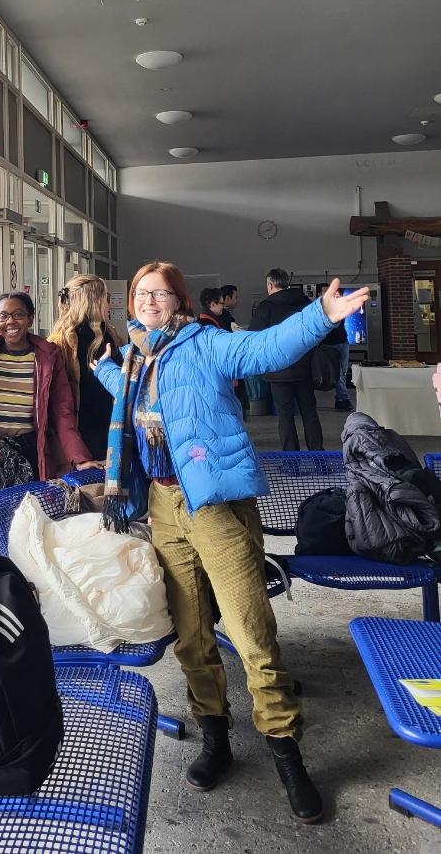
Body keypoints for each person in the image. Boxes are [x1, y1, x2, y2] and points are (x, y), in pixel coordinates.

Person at [93, 260, 368, 823]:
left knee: (250, 633)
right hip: (163, 508)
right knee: (191, 636)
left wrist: (321, 315)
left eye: (161, 294)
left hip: (216, 506)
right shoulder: (134, 359)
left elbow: (266, 350)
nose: (149, 301)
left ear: (180, 301)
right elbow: (133, 401)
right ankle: (214, 737)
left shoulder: (206, 344)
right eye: (142, 293)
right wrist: (99, 365)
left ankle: (286, 752)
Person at [0, 291, 93, 499]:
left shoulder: (48, 357)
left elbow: (62, 411)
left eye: (18, 314)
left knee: (31, 511)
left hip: (32, 450)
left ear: (30, 318)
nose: (10, 321)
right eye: (3, 316)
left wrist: (80, 458)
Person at [47, 274, 120, 462]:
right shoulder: (61, 342)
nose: (109, 305)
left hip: (110, 430)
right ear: (92, 302)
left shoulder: (109, 333)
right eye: (106, 298)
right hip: (80, 435)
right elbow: (58, 401)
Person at [250, 269, 324, 451]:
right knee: (309, 412)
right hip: (305, 368)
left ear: (270, 285)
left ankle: (292, 459)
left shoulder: (265, 308)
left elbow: (255, 337)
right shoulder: (305, 303)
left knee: (285, 415)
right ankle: (318, 456)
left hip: (279, 370)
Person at [316, 282, 353, 412]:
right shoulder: (318, 309)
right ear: (320, 294)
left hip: (342, 342)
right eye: (325, 291)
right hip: (329, 345)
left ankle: (340, 400)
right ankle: (344, 399)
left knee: (342, 373)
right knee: (337, 373)